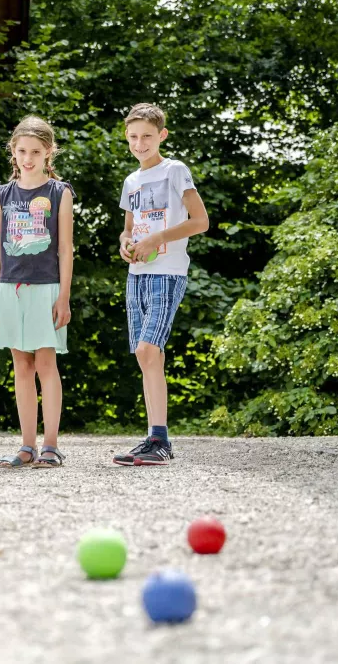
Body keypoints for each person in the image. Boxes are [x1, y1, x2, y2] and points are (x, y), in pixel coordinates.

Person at [113, 103, 210, 466]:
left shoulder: (175, 171)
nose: (140, 144)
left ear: (162, 136)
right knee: (144, 354)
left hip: (168, 272)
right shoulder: (131, 181)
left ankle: (161, 441)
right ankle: (155, 437)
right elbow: (128, 227)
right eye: (134, 137)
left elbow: (200, 221)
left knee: (149, 350)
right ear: (127, 138)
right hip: (136, 275)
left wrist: (157, 240)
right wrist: (126, 243)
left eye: (147, 137)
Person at [0, 116, 76, 469]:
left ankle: (51, 445)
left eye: (35, 151)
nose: (28, 158)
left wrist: (63, 296)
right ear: (13, 152)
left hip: (47, 288)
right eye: (22, 151)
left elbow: (66, 249)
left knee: (46, 364)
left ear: (49, 152)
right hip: (9, 290)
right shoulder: (1, 195)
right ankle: (27, 446)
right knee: (21, 365)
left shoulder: (59, 192)